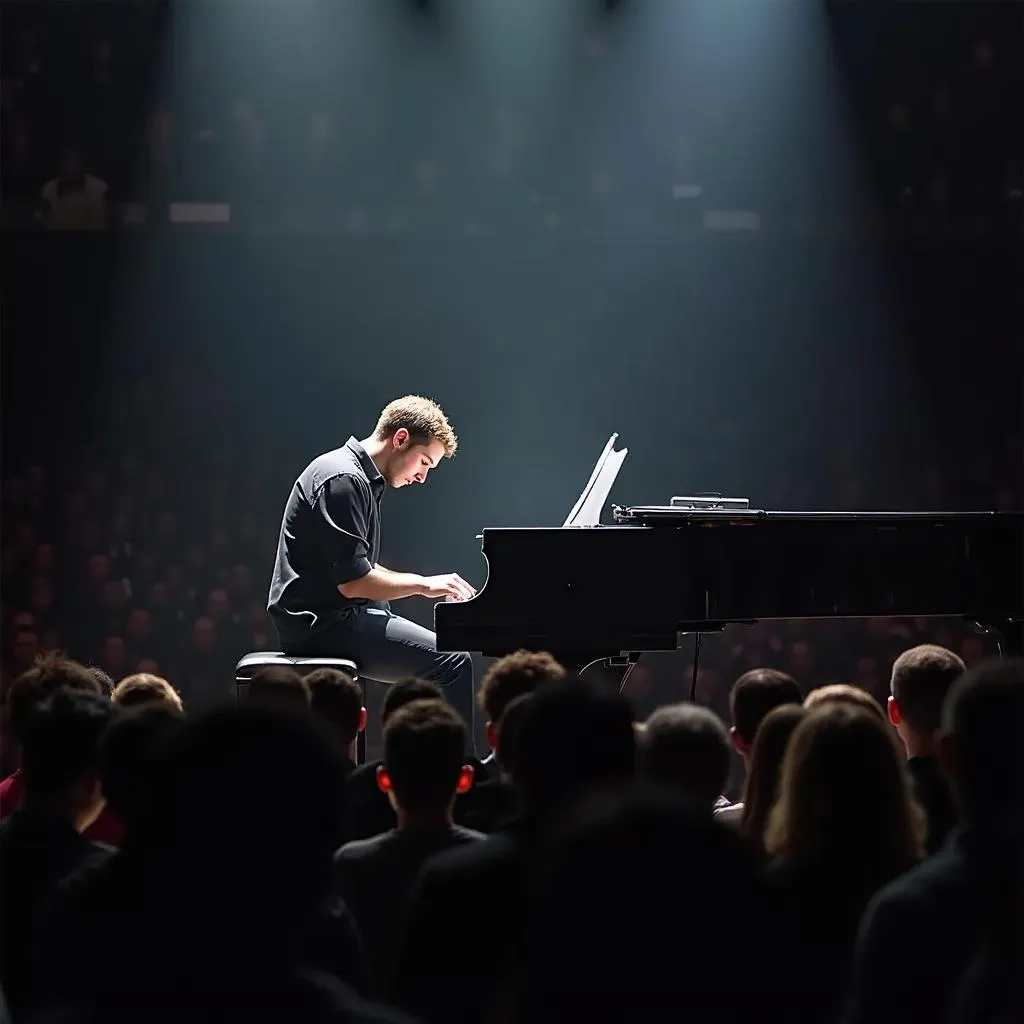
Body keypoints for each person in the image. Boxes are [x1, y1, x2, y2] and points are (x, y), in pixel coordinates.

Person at [267, 396, 476, 731]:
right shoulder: (342, 480)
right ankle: (461, 773)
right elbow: (353, 583)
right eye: (423, 462)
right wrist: (425, 585)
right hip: (321, 625)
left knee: (411, 632)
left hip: (333, 617)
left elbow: (359, 570)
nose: (422, 477)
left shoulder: (356, 478)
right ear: (401, 438)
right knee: (453, 662)